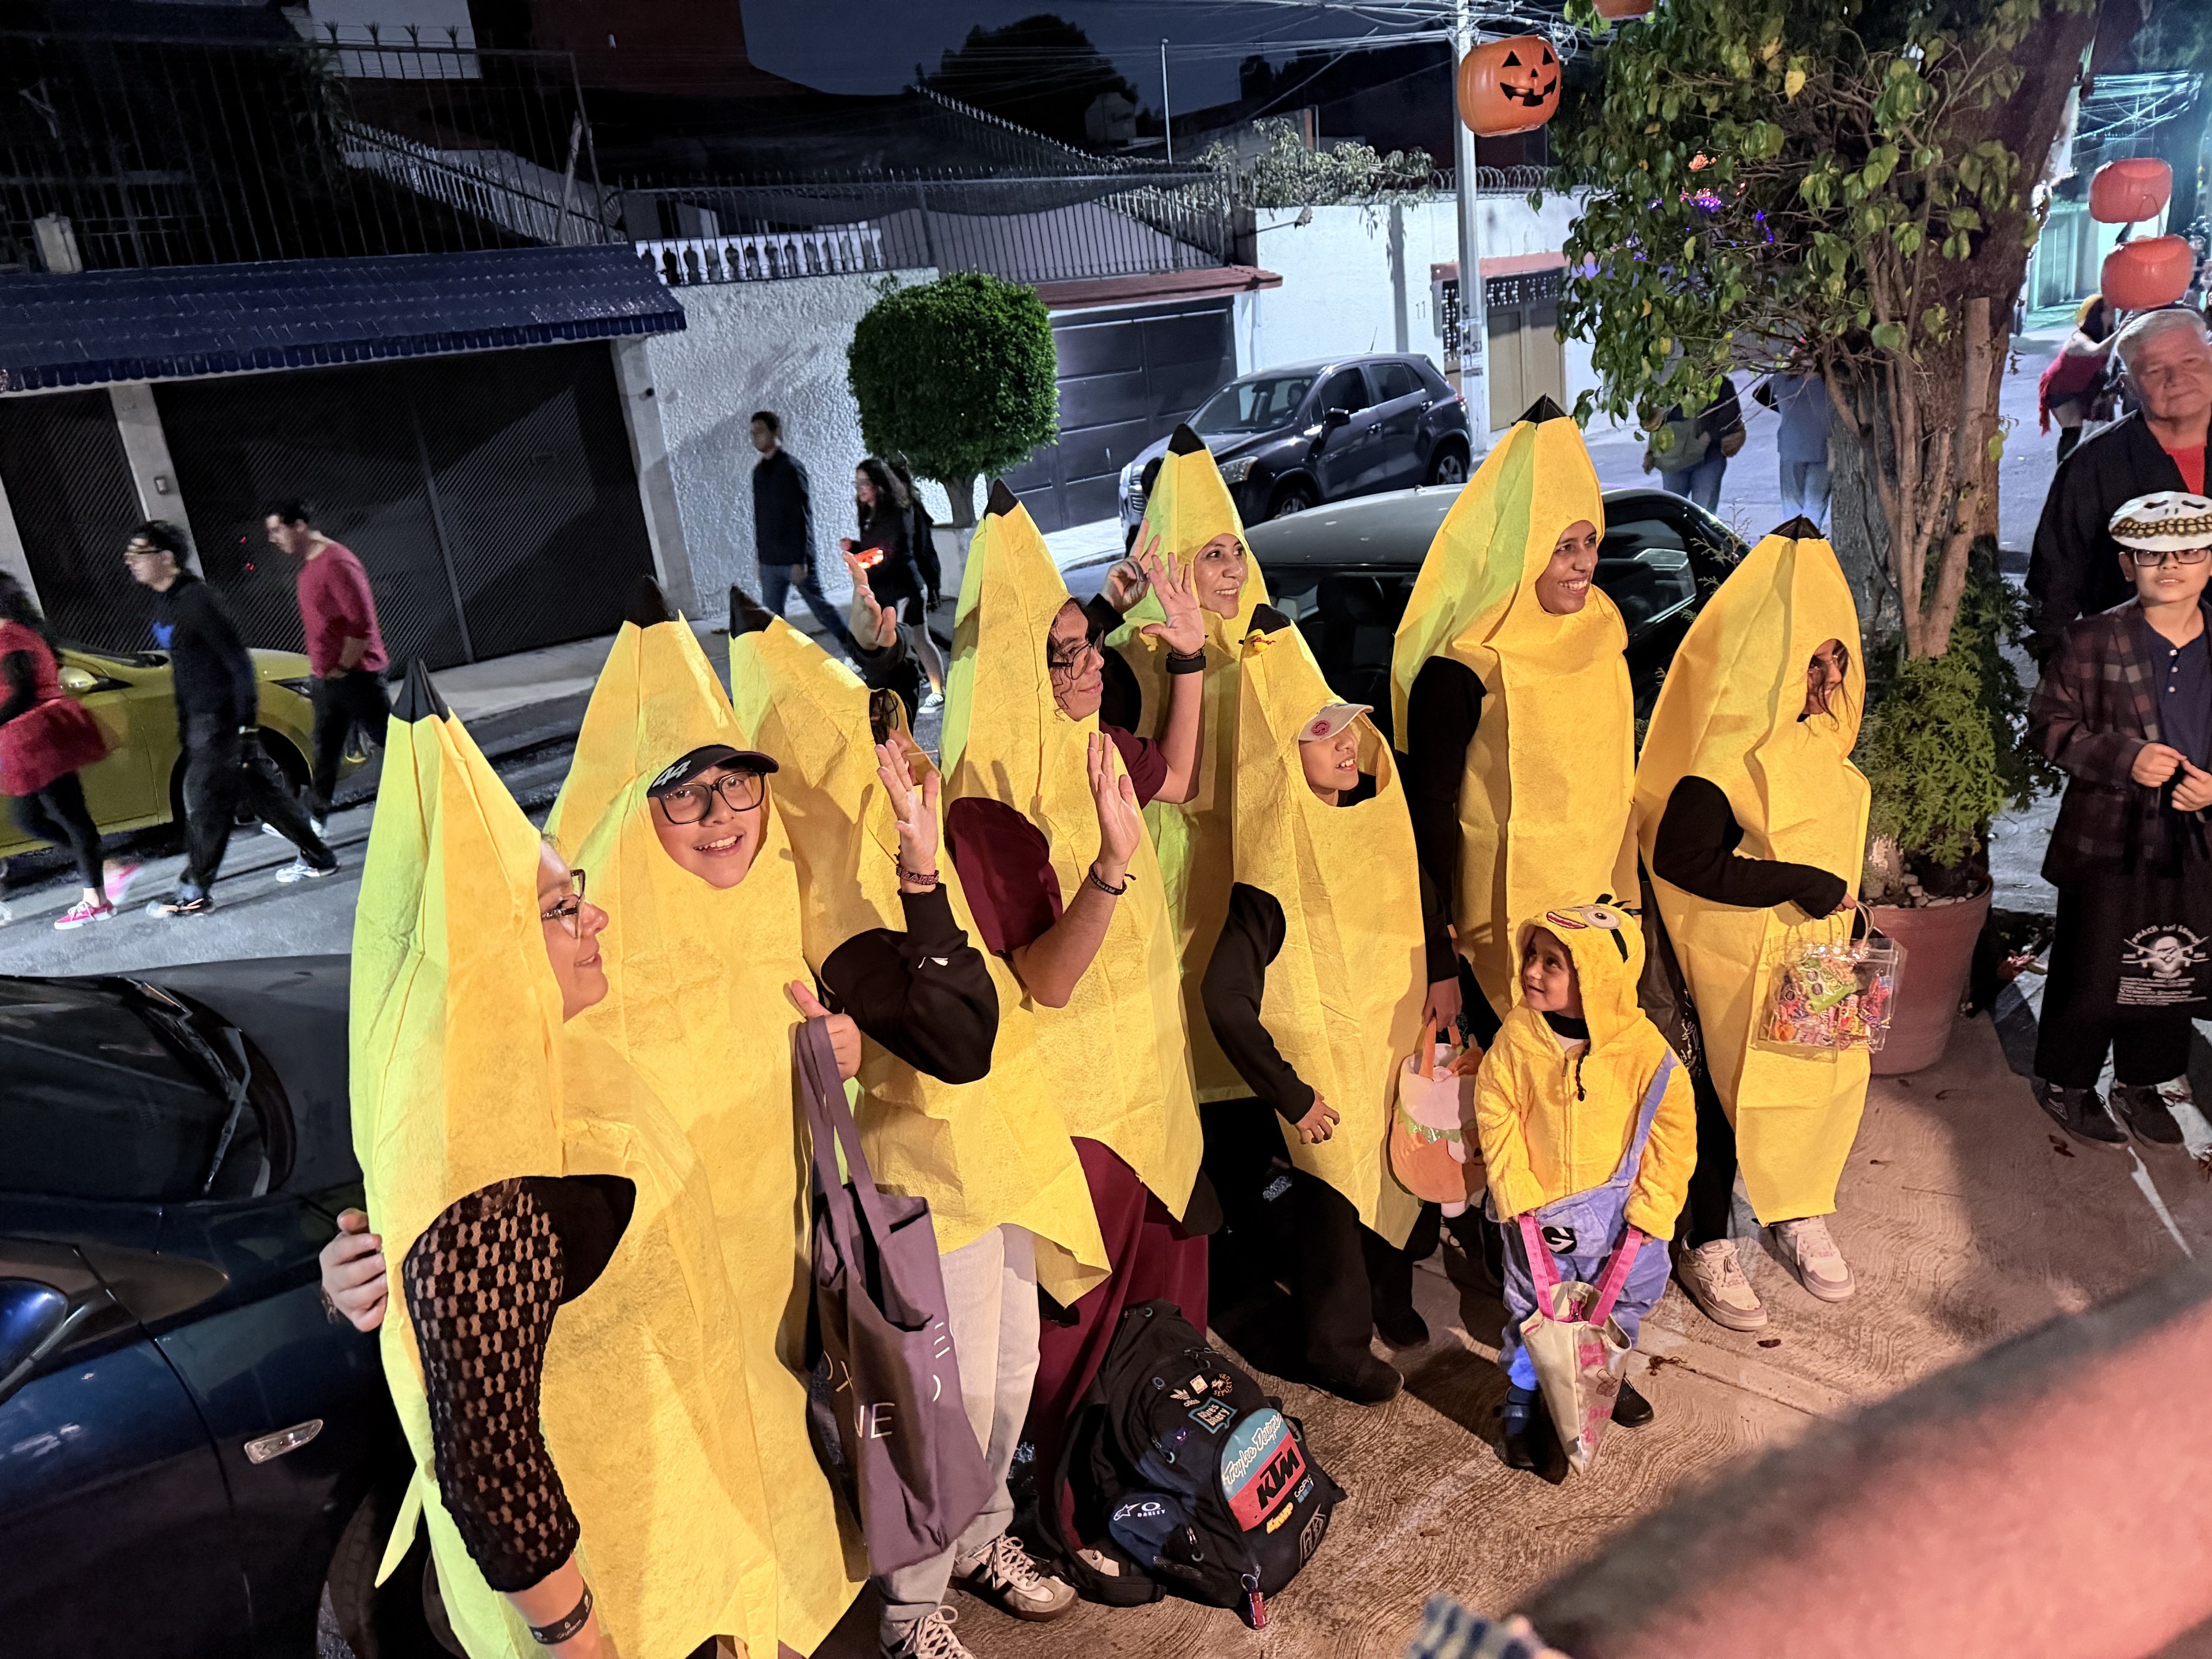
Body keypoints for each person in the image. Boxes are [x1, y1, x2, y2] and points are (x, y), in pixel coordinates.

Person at [341, 666, 791, 1659]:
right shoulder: (486, 1173)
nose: (595, 919)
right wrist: (581, 1640)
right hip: (624, 1601)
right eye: (557, 908)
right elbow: (489, 1463)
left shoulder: (541, 1073)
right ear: (492, 951)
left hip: (677, 1559)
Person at [727, 610, 1110, 1659]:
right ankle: (911, 1611)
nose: (891, 751)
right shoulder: (825, 890)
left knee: (1005, 1384)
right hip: (923, 1190)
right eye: (863, 737)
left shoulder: (894, 832)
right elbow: (952, 1036)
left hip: (1001, 1159)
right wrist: (918, 872)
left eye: (885, 726)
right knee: (940, 1409)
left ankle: (981, 1540)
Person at [940, 483, 1211, 1528]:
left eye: (1087, 642)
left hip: (1150, 1087)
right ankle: (1075, 1509)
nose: (1092, 663)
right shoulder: (982, 804)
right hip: (1078, 1118)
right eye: (1063, 655)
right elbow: (1045, 982)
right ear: (1015, 672)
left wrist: (1187, 659)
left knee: (1165, 1314)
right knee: (1080, 1334)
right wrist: (1109, 864)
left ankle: (1161, 1482)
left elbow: (1178, 778)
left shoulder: (1093, 739)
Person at [1635, 521, 1871, 1329]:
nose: (1828, 678)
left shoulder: (1822, 742)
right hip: (1733, 970)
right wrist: (1802, 882)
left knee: (1816, 1085)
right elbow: (1683, 860)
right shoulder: (1720, 760)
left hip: (1816, 961)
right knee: (1722, 1100)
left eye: (1837, 659)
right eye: (1811, 662)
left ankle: (1796, 1209)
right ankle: (1708, 1239)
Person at [1201, 630, 1439, 1402]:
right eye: (1321, 733)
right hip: (1325, 1079)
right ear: (1282, 755)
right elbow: (1223, 997)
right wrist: (1291, 1094)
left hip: (1388, 1047)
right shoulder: (1267, 882)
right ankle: (1336, 1348)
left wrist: (1442, 976)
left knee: (1398, 1171)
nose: (1346, 745)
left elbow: (1419, 895)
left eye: (1347, 729)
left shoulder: (1371, 821)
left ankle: (1392, 1297)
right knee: (1335, 1202)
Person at [1395, 398, 1638, 1043]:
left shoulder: (1604, 630)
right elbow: (1428, 820)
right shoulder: (1461, 668)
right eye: (1562, 549)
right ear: (1522, 553)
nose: (1583, 564)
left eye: (1589, 543)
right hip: (1494, 947)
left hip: (1595, 925)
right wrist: (1437, 957)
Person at [1474, 904, 1694, 1472]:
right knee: (1532, 1310)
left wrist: (1654, 1207)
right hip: (1537, 1215)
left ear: (1600, 978)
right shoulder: (1516, 1040)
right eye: (1532, 956)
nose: (1532, 971)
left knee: (1619, 1305)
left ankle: (1603, 1375)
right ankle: (1524, 1394)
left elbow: (1673, 1135)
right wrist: (1516, 1189)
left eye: (1553, 963)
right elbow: (1495, 1111)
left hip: (1620, 1219)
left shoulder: (1647, 1053)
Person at [2025, 490, 2212, 1148]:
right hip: (2105, 836)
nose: (2171, 566)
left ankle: (2143, 1082)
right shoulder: (2091, 640)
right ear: (2128, 564)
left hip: (2193, 838)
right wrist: (2124, 758)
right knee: (2092, 966)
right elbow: (2048, 726)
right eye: (2152, 555)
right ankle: (2066, 1082)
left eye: (2187, 552)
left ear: (2210, 561)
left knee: (2173, 962)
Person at [122, 520, 336, 914]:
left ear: (166, 558)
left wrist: (246, 726)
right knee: (262, 793)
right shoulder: (166, 601)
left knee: (204, 804)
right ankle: (320, 856)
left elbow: (238, 663)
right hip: (200, 722)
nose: (130, 560)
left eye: (139, 553)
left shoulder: (198, 601)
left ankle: (194, 890)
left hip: (221, 722)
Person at [2028, 309, 2212, 661]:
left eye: (2191, 361)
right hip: (2133, 666)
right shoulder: (2094, 464)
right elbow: (2056, 577)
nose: (2176, 379)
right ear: (2130, 386)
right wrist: (2056, 669)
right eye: (2154, 370)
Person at [0, 571, 129, 929]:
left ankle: (96, 900)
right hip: (26, 740)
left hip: (38, 736)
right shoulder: (13, 633)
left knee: (71, 817)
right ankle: (107, 868)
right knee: (28, 817)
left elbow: (22, 693)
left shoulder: (10, 636)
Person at [264, 498, 388, 831]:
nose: (273, 539)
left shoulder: (336, 563)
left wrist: (343, 668)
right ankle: (312, 822)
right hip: (331, 678)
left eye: (278, 530)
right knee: (326, 749)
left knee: (392, 742)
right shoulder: (310, 567)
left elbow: (360, 624)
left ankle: (440, 794)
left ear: (299, 526)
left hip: (356, 677)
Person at [752, 410, 862, 660]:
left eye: (760, 431)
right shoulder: (759, 473)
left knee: (821, 610)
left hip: (795, 560)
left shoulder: (791, 468)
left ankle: (857, 653)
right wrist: (760, 558)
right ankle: (783, 666)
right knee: (773, 620)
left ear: (775, 432)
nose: (755, 437)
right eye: (753, 433)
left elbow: (802, 516)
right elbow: (760, 518)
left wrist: (801, 559)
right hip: (770, 561)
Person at [845, 457, 947, 705]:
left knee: (914, 641)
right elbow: (876, 548)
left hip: (904, 588)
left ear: (879, 485)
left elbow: (891, 552)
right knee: (909, 641)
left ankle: (936, 692)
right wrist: (856, 549)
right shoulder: (871, 512)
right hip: (888, 588)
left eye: (864, 483)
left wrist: (862, 560)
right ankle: (916, 690)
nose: (859, 489)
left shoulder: (896, 511)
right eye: (857, 483)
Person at [1642, 376, 1744, 511]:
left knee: (1703, 512)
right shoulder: (1668, 382)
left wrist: (1709, 436)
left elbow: (1731, 416)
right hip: (1673, 459)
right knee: (1673, 510)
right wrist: (1650, 451)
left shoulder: (1720, 383)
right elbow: (1654, 421)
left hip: (1709, 458)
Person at [2038, 296, 2117, 466]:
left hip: (2083, 387)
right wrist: (2123, 330)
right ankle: (2064, 472)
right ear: (2096, 315)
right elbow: (2097, 351)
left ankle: (2087, 470)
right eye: (2108, 310)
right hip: (2060, 388)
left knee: (2100, 428)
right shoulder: (2078, 338)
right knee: (2073, 430)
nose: (2113, 313)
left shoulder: (2107, 334)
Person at [1756, 370, 1835, 532]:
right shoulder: (1784, 378)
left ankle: (1802, 542)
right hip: (1798, 449)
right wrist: (1784, 410)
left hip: (1816, 450)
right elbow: (1760, 394)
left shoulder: (1829, 378)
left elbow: (1760, 394)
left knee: (1810, 506)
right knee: (1801, 506)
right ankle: (1801, 542)